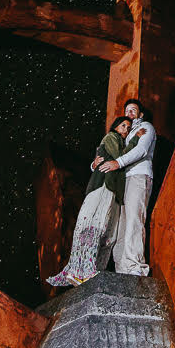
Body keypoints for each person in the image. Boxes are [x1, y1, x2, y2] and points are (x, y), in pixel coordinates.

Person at [45, 115, 133, 287]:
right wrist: (135, 140)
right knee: (95, 224)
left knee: (108, 232)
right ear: (115, 126)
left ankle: (92, 270)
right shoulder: (111, 137)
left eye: (129, 128)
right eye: (123, 125)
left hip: (113, 190)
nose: (126, 130)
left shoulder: (119, 142)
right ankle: (81, 270)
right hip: (103, 187)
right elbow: (118, 156)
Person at [96, 98, 156, 276]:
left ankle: (135, 267)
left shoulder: (146, 127)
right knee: (120, 226)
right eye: (127, 110)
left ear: (140, 114)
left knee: (133, 220)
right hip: (122, 181)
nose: (129, 113)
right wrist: (95, 163)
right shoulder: (125, 133)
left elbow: (141, 151)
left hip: (138, 176)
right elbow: (110, 149)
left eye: (133, 110)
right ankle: (122, 269)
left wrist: (118, 162)